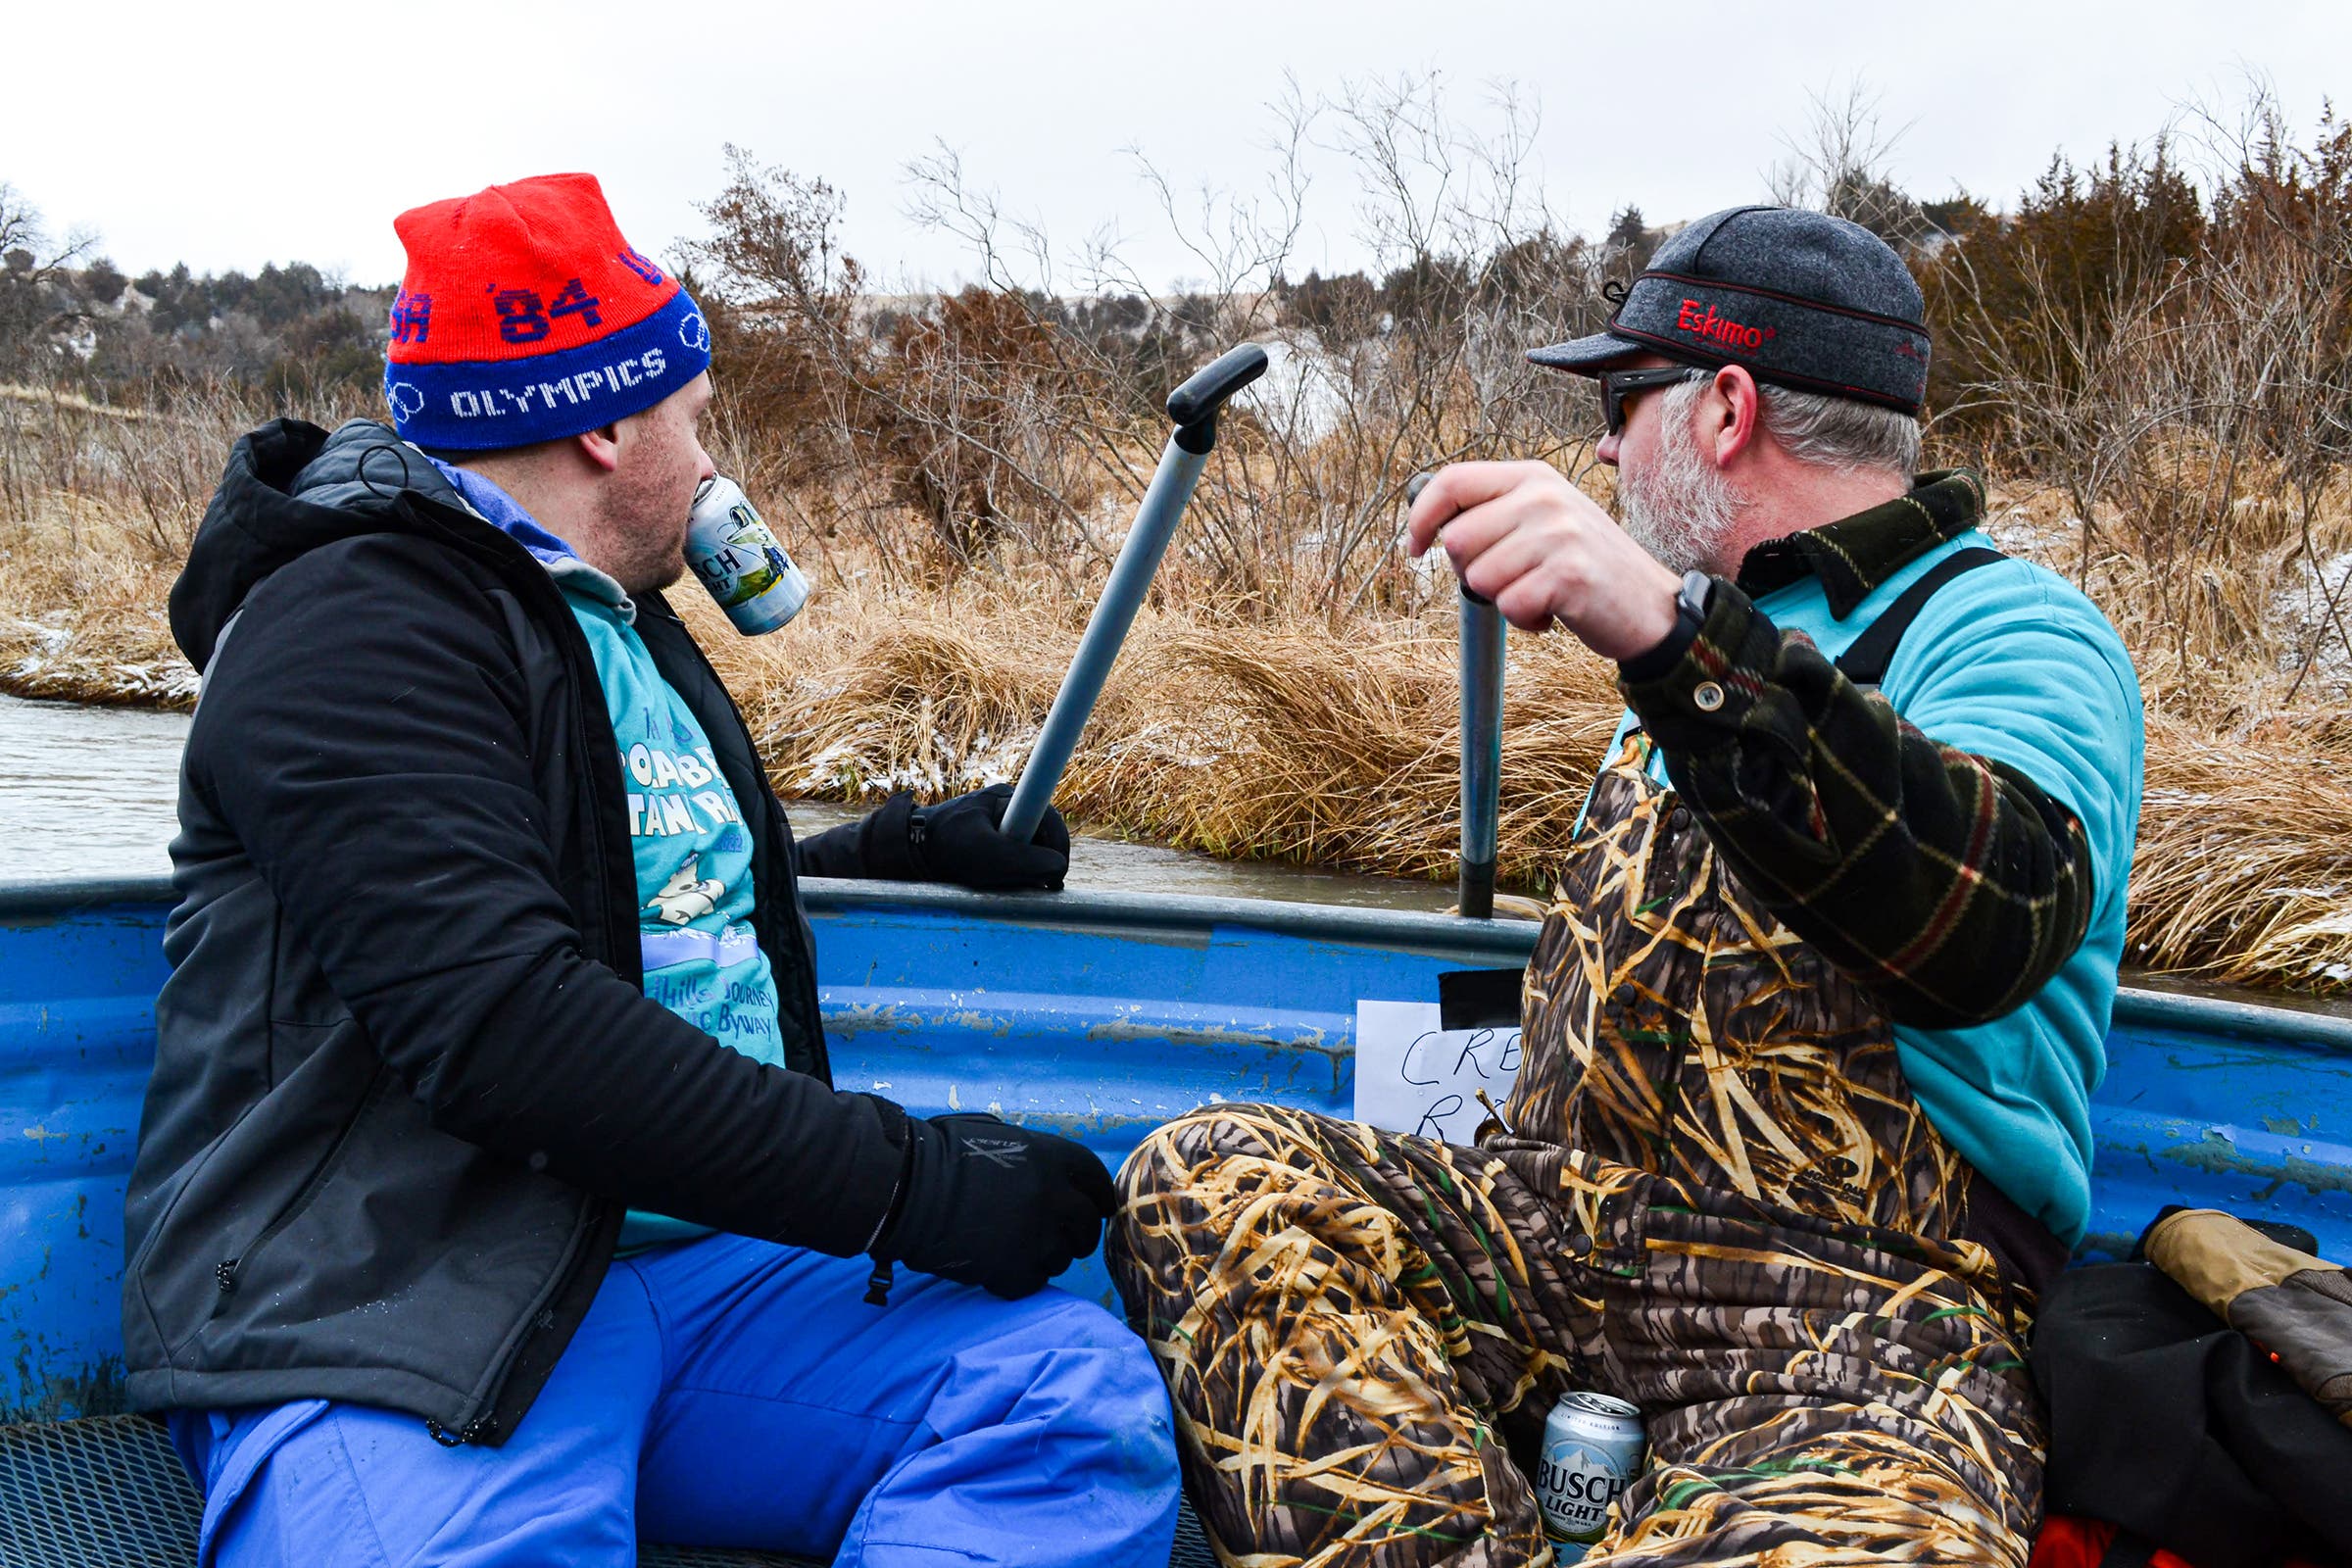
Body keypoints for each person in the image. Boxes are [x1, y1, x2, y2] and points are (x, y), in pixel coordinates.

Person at [123, 172, 1180, 1568]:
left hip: (696, 1275)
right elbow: (504, 1020)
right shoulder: (348, 628)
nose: (709, 451)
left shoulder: (615, 614)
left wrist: (881, 852)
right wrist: (908, 1186)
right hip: (406, 1305)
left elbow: (591, 886)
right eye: (694, 413)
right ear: (610, 424)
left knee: (1066, 1401)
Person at [1110, 205, 2144, 1566]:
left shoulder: (2012, 632)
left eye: (1621, 399)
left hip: (1861, 1326)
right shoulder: (1713, 619)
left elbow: (1994, 916)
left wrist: (1671, 637)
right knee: (1208, 1179)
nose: (1604, 446)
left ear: (1722, 409)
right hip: (1554, 1238)